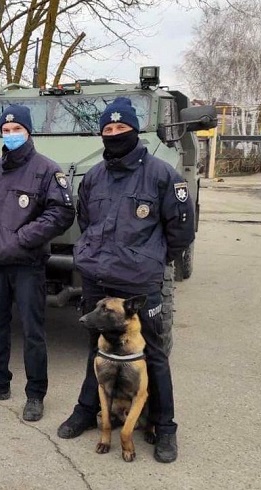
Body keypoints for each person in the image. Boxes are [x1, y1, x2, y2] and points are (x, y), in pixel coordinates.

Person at [56, 97, 195, 463]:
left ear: (136, 130)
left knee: (153, 354)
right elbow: (86, 221)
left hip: (139, 283)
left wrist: (153, 259)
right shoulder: (95, 177)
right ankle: (88, 411)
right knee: (97, 350)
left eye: (121, 128)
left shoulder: (162, 174)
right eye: (108, 129)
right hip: (99, 280)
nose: (115, 134)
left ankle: (164, 428)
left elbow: (181, 229)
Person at [0, 104, 76, 422]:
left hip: (27, 265)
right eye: (7, 130)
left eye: (17, 130)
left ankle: (35, 394)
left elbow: (61, 213)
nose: (11, 135)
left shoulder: (46, 171)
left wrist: (22, 239)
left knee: (32, 331)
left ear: (29, 132)